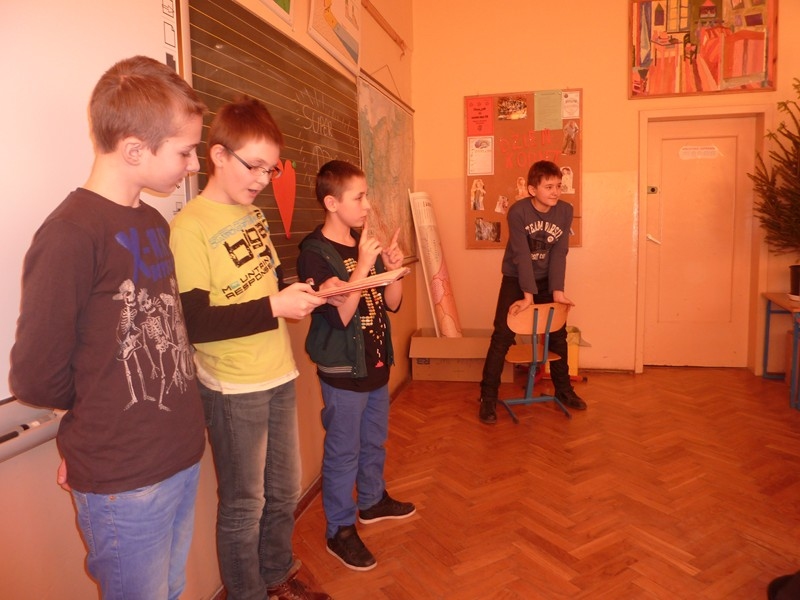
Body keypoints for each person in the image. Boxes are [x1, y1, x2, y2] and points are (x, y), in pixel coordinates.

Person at [9, 55, 207, 599]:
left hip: (178, 455)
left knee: (170, 589)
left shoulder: (151, 220)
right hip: (125, 480)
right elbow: (35, 375)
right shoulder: (70, 234)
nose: (194, 164)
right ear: (135, 150)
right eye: (185, 151)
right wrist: (93, 425)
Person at [169, 97, 330, 600]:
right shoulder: (189, 226)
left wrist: (301, 293)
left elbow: (268, 285)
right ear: (218, 155)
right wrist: (276, 306)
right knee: (245, 505)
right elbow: (195, 323)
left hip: (278, 371)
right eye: (254, 166)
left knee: (284, 491)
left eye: (270, 169)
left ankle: (277, 574)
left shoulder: (254, 215)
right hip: (233, 386)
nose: (263, 178)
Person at [297, 160, 415, 572]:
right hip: (344, 372)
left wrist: (394, 270)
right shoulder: (314, 254)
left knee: (373, 440)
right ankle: (340, 530)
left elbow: (392, 303)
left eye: (367, 196)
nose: (367, 205)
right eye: (359, 197)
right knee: (342, 451)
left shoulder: (363, 243)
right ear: (332, 203)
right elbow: (340, 317)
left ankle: (372, 500)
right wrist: (364, 267)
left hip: (375, 362)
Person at [478, 159, 586, 425]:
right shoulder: (518, 212)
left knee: (558, 335)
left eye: (558, 186)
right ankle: (488, 397)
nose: (555, 191)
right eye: (549, 186)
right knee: (502, 336)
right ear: (531, 189)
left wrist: (557, 291)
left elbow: (560, 252)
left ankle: (564, 390)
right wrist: (527, 295)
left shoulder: (565, 211)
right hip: (517, 278)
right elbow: (522, 255)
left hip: (548, 279)